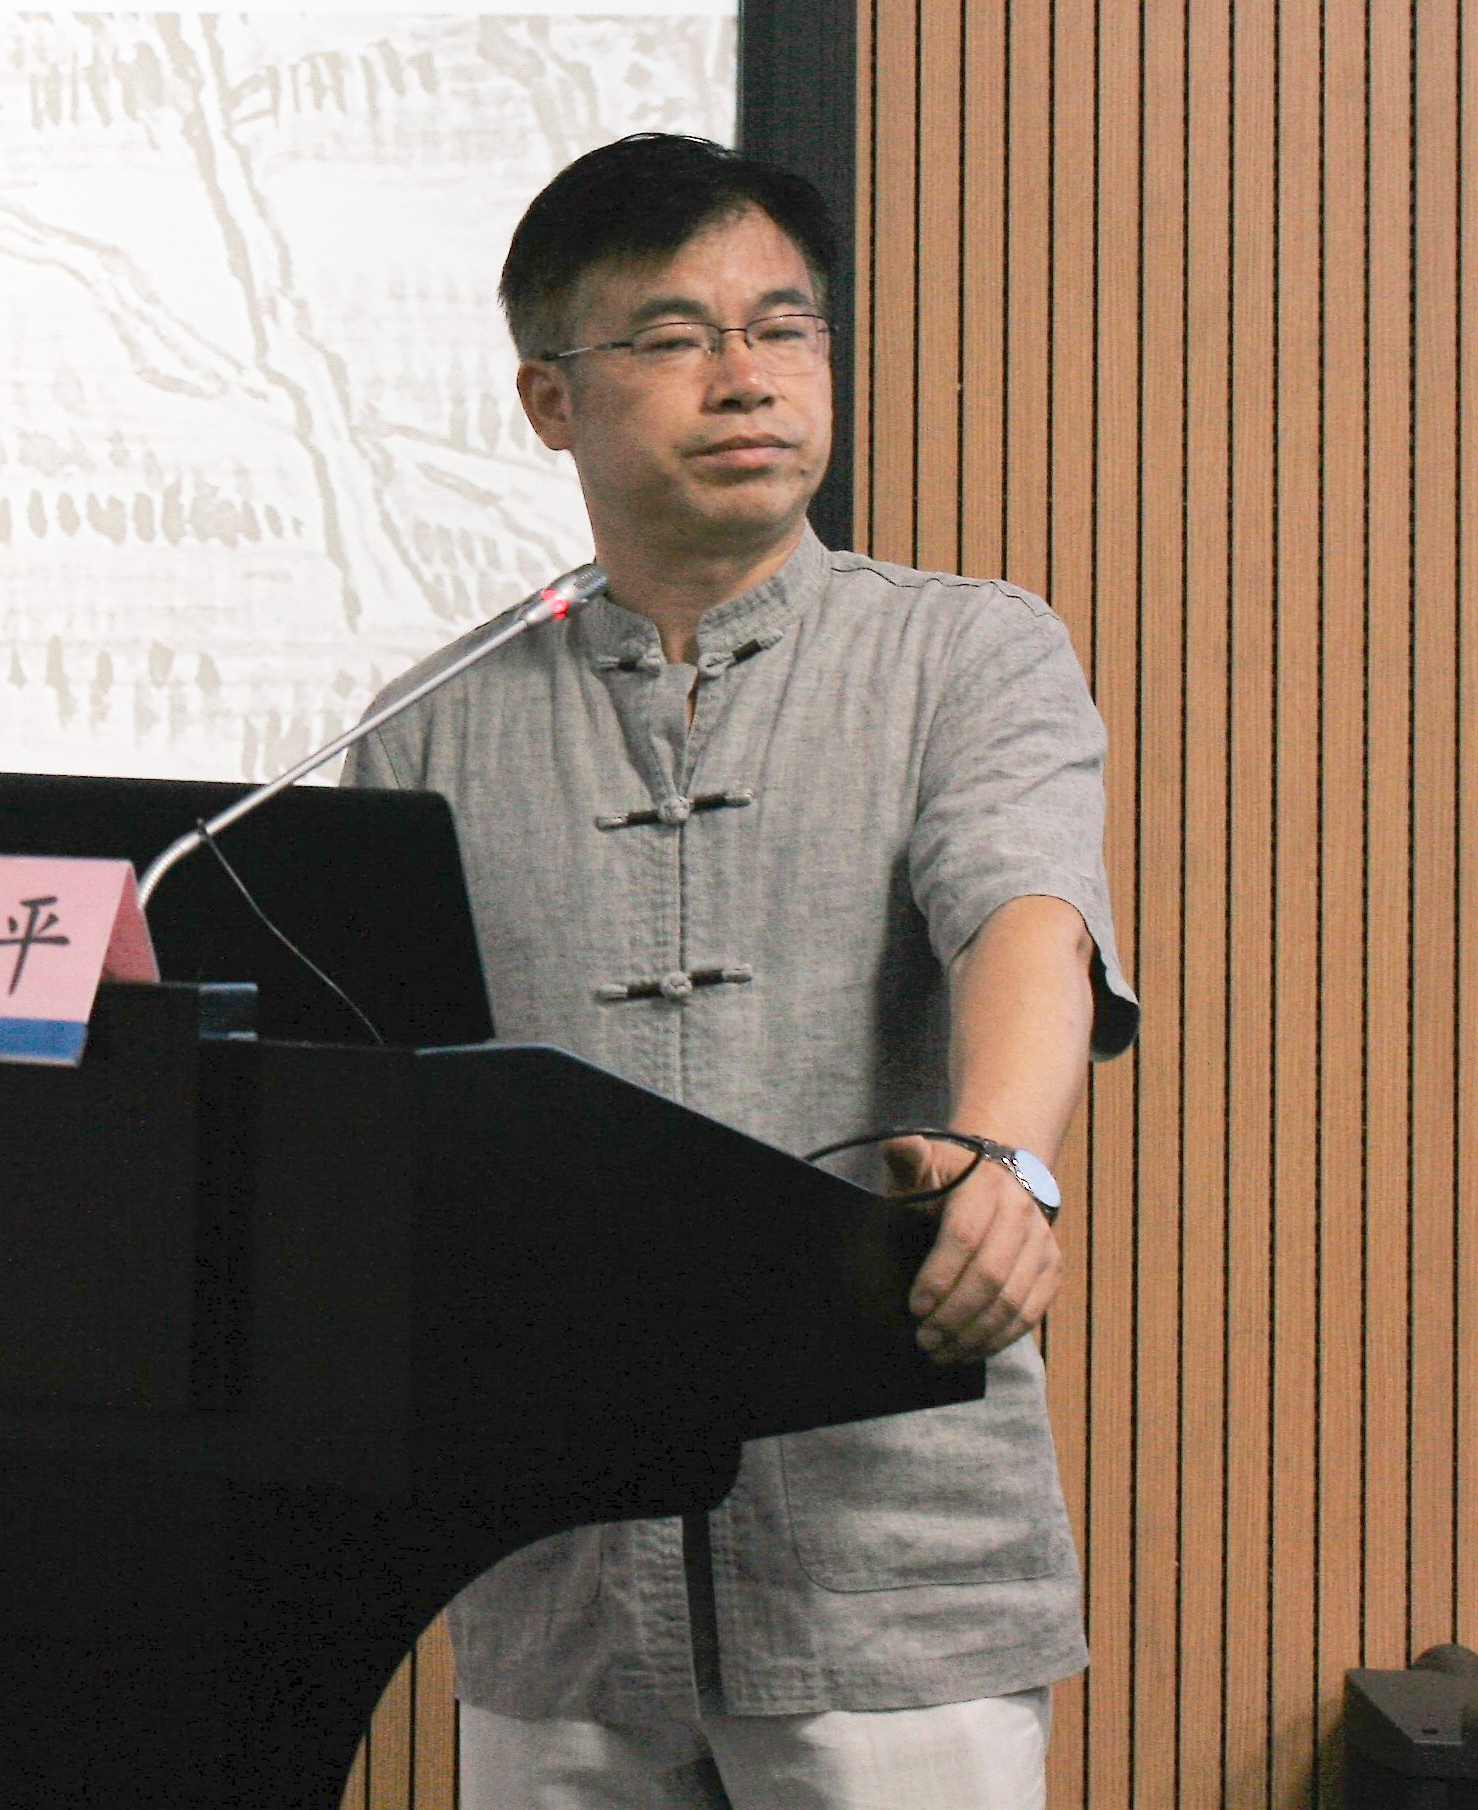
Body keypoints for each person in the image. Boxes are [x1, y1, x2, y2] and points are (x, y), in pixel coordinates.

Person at [347, 132, 1138, 1810]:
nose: (747, 377)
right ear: (550, 399)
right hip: (557, 1570)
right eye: (672, 336)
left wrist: (1007, 1153)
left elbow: (1025, 909)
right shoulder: (429, 726)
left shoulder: (966, 651)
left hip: (891, 1557)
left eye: (784, 328)